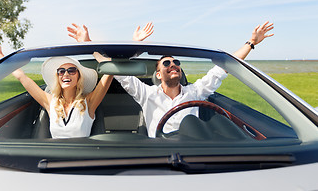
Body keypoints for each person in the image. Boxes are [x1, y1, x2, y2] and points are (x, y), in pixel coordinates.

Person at [68, 21, 274, 138]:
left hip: (193, 151)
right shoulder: (146, 94)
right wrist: (88, 44)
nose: (173, 64)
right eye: (166, 64)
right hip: (158, 153)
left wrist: (251, 43)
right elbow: (116, 70)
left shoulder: (195, 92)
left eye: (176, 62)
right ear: (158, 74)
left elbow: (223, 68)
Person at [0, 42, 113, 139]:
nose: (66, 74)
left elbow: (109, 70)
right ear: (58, 77)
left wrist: (89, 45)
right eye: (61, 71)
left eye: (71, 71)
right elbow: (22, 77)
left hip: (81, 161)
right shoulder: (50, 101)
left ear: (79, 77)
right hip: (53, 160)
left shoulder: (89, 102)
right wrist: (0, 56)